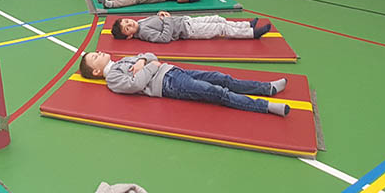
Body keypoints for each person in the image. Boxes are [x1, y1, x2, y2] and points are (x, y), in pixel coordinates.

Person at [79, 51, 289, 116]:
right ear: (96, 71)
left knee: (221, 77)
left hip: (173, 70)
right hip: (168, 83)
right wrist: (150, 66)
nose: (100, 52)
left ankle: (266, 88)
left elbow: (150, 55)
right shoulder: (113, 78)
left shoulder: (122, 61)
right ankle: (266, 106)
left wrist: (143, 60)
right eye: (95, 57)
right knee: (218, 92)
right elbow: (135, 84)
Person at [111, 12, 272, 42]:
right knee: (219, 28)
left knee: (217, 19)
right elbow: (164, 38)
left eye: (127, 21)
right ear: (129, 36)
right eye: (127, 28)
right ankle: (252, 33)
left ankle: (246, 24)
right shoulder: (144, 32)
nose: (130, 24)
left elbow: (156, 20)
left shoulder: (140, 22)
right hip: (188, 30)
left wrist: (160, 14)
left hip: (187, 21)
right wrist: (167, 20)